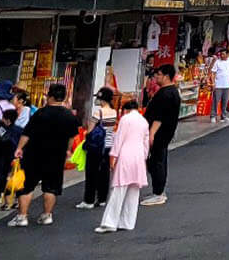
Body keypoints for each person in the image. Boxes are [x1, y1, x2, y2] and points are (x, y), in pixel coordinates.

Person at [8, 83, 76, 227]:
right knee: (51, 187)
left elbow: (27, 133)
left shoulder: (40, 113)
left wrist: (19, 148)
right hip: (56, 156)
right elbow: (72, 137)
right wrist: (67, 150)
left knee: (27, 186)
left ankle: (22, 217)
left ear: (49, 96)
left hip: (34, 154)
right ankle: (47, 215)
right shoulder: (69, 116)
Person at [94, 98, 149, 234]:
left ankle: (109, 222)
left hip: (126, 155)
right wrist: (144, 157)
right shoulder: (144, 121)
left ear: (126, 109)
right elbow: (146, 142)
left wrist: (113, 156)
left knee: (118, 190)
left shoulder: (126, 119)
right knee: (133, 190)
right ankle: (127, 222)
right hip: (139, 157)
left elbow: (119, 139)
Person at [141, 63, 180, 206]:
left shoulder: (166, 94)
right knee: (157, 160)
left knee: (156, 161)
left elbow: (159, 117)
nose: (156, 77)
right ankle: (158, 191)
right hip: (164, 132)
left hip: (160, 133)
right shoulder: (171, 91)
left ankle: (158, 193)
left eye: (158, 75)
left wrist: (151, 133)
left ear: (166, 76)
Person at [77, 87, 118, 210]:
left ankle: (89, 200)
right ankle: (102, 199)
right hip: (108, 146)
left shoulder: (98, 113)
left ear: (101, 99)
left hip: (96, 147)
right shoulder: (114, 112)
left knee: (91, 173)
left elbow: (89, 131)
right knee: (104, 172)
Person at [0, 85, 29, 210]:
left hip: (2, 156)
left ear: (6, 120)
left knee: (3, 177)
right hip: (16, 157)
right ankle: (17, 201)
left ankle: (6, 202)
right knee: (16, 178)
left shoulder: (1, 129)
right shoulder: (20, 130)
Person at [208, 50, 229, 123]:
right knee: (216, 100)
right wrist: (213, 83)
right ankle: (213, 116)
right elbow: (213, 73)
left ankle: (223, 116)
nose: (221, 56)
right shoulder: (217, 62)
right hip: (218, 85)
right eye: (220, 54)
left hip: (227, 85)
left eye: (223, 54)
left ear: (227, 54)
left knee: (225, 101)